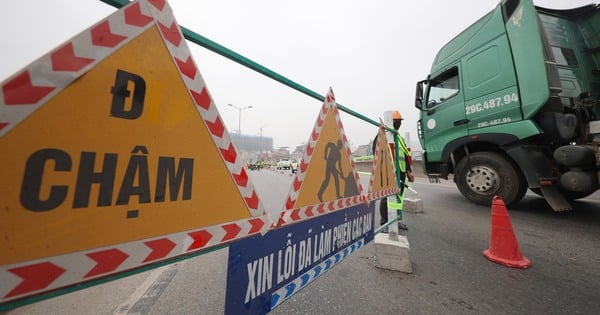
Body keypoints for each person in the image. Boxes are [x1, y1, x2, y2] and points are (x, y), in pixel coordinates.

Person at [372, 110, 414, 231]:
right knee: (387, 198)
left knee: (398, 198)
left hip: (401, 171)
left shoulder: (399, 137)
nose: (398, 123)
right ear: (391, 121)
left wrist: (409, 171)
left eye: (399, 121)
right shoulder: (383, 135)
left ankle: (396, 220)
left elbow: (405, 155)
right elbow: (377, 153)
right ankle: (385, 223)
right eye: (397, 121)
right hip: (389, 172)